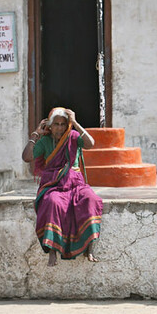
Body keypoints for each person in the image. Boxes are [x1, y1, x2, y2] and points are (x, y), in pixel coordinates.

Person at [21, 107, 103, 266]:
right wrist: (35, 134)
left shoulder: (73, 137)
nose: (59, 128)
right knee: (52, 202)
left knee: (91, 199)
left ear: (67, 125)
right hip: (54, 184)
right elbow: (26, 157)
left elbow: (90, 144)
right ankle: (52, 250)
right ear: (50, 126)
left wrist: (75, 123)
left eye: (63, 124)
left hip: (76, 184)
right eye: (56, 124)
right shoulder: (45, 141)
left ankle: (89, 247)